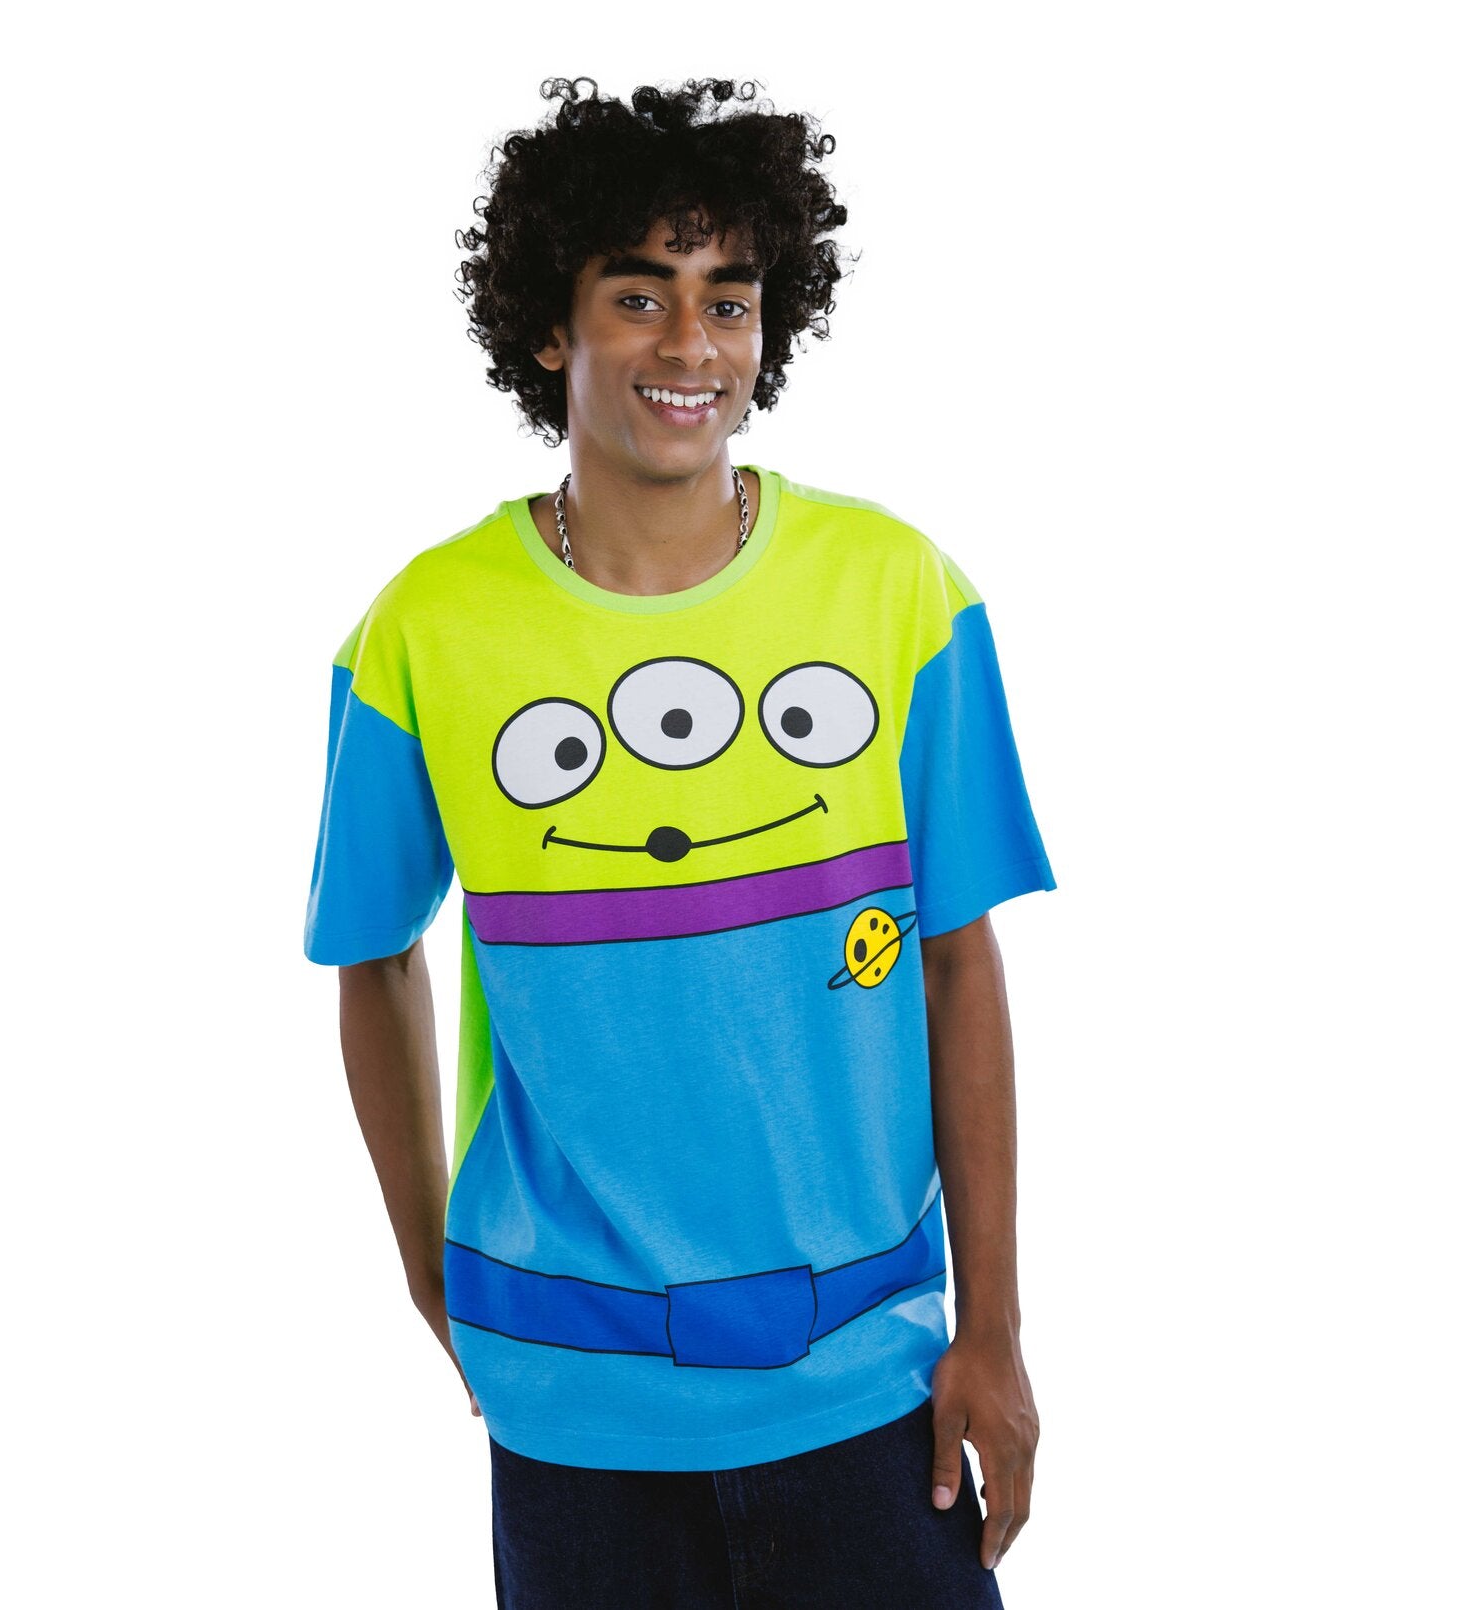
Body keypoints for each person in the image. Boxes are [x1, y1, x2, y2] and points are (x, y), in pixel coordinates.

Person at [303, 76, 1057, 1608]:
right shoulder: (424, 629)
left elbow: (957, 962)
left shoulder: (900, 593)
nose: (690, 345)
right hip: (570, 1397)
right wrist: (429, 1272)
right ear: (548, 326)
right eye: (638, 295)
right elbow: (370, 958)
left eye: (728, 298)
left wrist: (993, 1326)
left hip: (866, 1378)